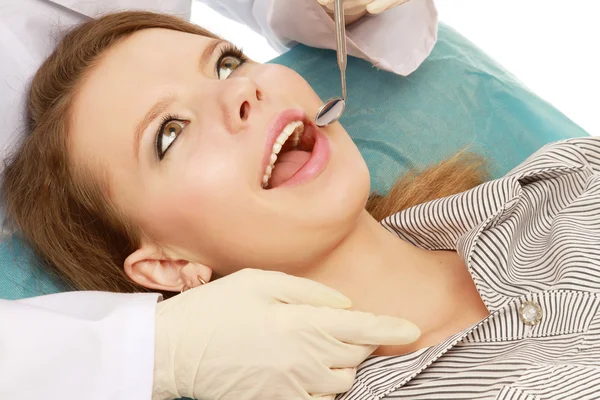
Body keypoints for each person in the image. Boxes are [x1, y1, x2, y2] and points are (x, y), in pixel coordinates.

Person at [5, 7, 600, 400]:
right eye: (169, 133)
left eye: (227, 62)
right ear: (167, 266)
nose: (241, 90)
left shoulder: (566, 181)